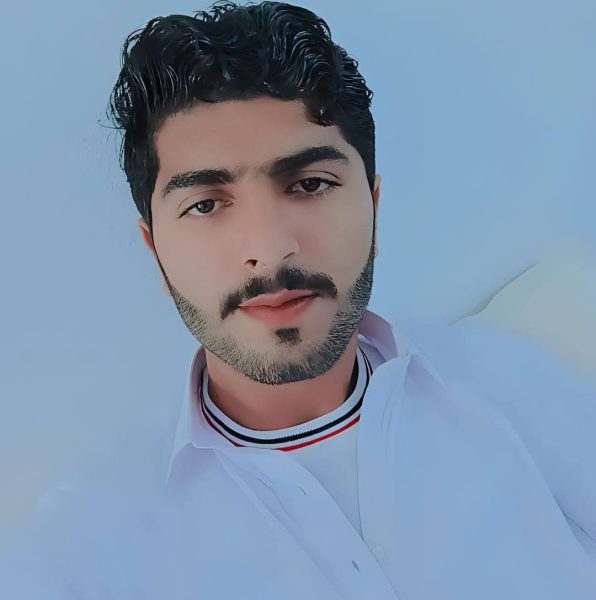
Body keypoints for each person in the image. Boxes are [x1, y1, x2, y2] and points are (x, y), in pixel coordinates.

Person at [1, 2, 595, 598]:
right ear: (155, 249)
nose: (268, 250)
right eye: (205, 204)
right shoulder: (77, 553)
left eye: (310, 184)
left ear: (374, 209)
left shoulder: (511, 381)